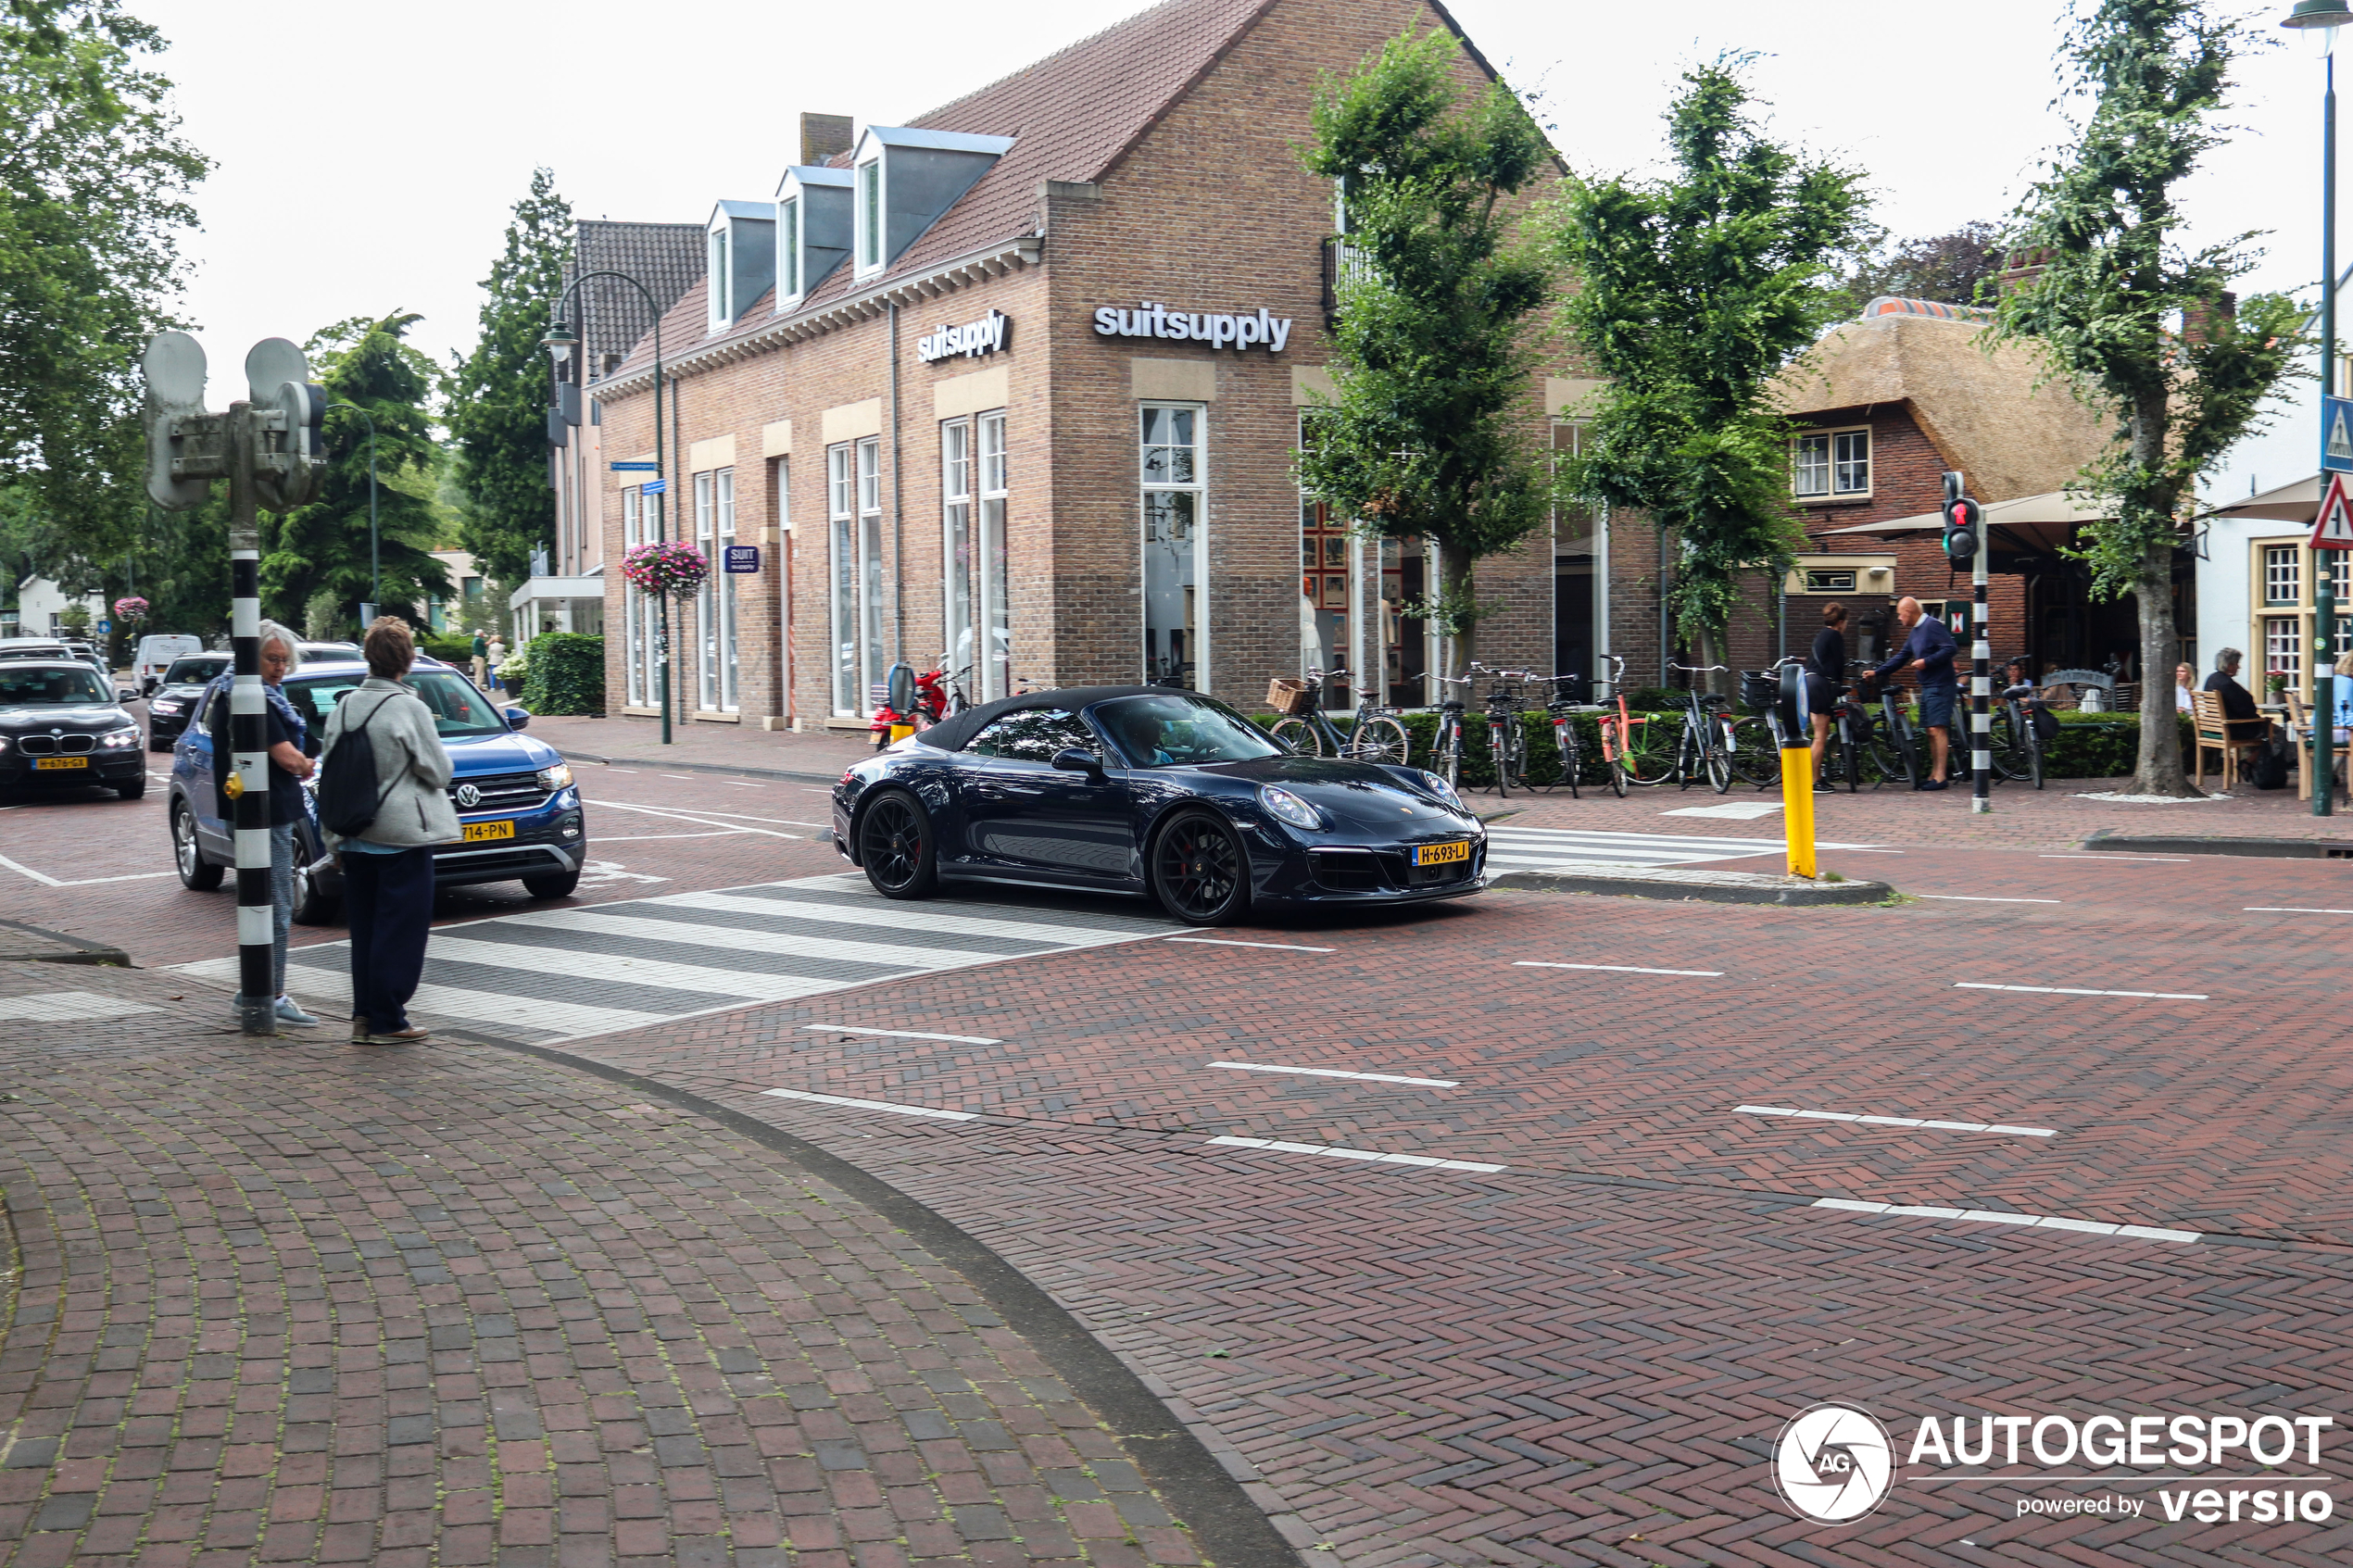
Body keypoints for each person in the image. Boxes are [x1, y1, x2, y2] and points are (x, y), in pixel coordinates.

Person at [321, 617, 459, 1045]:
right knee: (400, 931)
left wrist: (333, 840)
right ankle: (388, 1020)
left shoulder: (344, 706)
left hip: (355, 834)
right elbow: (439, 773)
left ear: (368, 658)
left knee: (364, 930)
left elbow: (331, 773)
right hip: (400, 836)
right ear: (408, 660)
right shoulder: (410, 708)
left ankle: (364, 1016)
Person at [221, 621, 321, 1029]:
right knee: (276, 907)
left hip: (252, 811)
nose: (280, 668)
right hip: (266, 814)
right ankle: (270, 993)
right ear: (253, 656)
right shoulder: (254, 698)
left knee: (261, 906)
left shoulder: (238, 691)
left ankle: (256, 989)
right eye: (272, 659)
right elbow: (288, 758)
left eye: (284, 660)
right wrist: (307, 764)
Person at [1870, 596, 1960, 790]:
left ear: (1909, 612)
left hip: (1940, 684)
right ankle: (1934, 775)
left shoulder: (1932, 625)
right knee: (1930, 730)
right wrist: (1878, 672)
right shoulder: (1915, 633)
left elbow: (1950, 648)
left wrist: (1926, 662)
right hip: (1928, 686)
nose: (1900, 619)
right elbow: (1901, 657)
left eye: (1900, 615)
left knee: (1938, 729)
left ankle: (1941, 776)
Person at [1806, 601, 1847, 791]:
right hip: (1821, 684)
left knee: (1818, 734)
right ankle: (1814, 780)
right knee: (1821, 736)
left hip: (1809, 682)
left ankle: (1815, 777)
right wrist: (1839, 685)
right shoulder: (1835, 635)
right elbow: (1839, 664)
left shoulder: (1821, 635)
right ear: (1840, 622)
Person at [2203, 648, 2270, 743]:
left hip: (2213, 728)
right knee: (2274, 732)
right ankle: (2252, 758)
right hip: (2233, 729)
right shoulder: (2227, 684)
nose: (2239, 667)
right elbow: (2245, 710)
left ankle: (2252, 757)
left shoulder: (2211, 679)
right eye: (2237, 663)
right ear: (2229, 665)